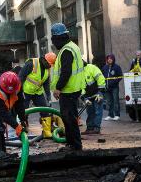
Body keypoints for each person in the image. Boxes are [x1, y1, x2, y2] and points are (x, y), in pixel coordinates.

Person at [50, 22, 85, 152]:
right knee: (69, 118)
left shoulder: (66, 50)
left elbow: (66, 71)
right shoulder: (72, 47)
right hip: (72, 89)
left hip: (68, 90)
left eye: (54, 39)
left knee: (69, 119)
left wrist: (58, 87)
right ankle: (73, 144)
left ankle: (74, 145)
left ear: (58, 38)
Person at [18, 53, 56, 138]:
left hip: (38, 92)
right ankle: (22, 131)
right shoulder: (32, 63)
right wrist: (19, 91)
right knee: (24, 111)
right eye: (49, 64)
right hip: (26, 91)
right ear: (45, 60)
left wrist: (48, 96)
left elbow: (45, 83)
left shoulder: (47, 68)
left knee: (45, 110)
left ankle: (47, 132)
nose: (50, 66)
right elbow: (21, 76)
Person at [81, 63, 106, 135]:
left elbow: (100, 78)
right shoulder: (78, 72)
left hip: (97, 92)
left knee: (98, 111)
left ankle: (96, 128)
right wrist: (84, 98)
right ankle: (90, 128)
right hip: (88, 95)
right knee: (90, 111)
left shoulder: (91, 67)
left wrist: (100, 92)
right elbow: (80, 86)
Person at [101, 54, 122, 121]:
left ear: (113, 59)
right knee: (109, 102)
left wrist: (114, 82)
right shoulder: (105, 67)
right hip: (107, 87)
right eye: (108, 58)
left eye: (111, 58)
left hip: (114, 87)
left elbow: (120, 76)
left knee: (116, 101)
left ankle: (117, 115)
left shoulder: (117, 67)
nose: (109, 59)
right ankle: (110, 115)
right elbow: (102, 76)